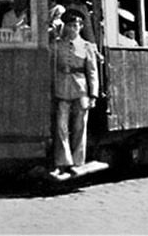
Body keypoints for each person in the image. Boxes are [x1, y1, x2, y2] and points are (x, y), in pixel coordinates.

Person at [51, 9, 99, 176]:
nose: (73, 29)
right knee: (61, 126)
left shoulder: (87, 47)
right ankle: (63, 161)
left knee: (79, 127)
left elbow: (92, 72)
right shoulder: (57, 45)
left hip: (80, 89)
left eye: (76, 25)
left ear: (81, 26)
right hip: (62, 89)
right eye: (70, 25)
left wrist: (93, 95)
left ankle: (78, 162)